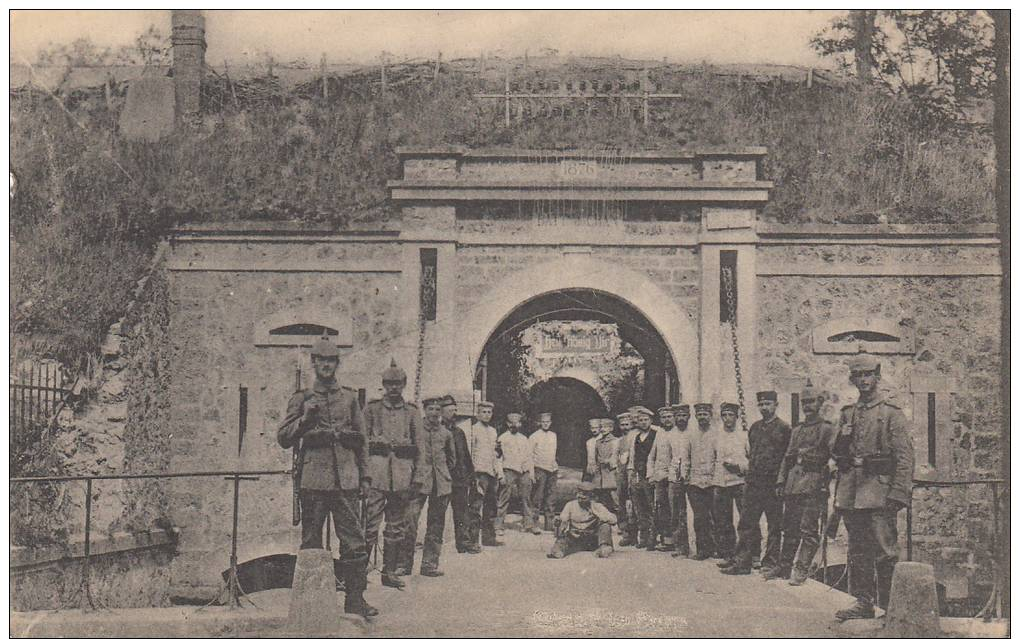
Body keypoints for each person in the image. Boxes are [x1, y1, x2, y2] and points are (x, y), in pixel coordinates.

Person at [276, 334, 377, 618]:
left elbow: (363, 441)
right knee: (311, 542)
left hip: (346, 479)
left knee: (355, 543)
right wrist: (305, 419)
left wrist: (365, 478)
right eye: (321, 360)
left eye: (331, 360)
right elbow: (283, 437)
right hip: (314, 481)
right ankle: (310, 604)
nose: (326, 365)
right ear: (313, 362)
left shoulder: (349, 398)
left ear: (337, 363)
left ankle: (355, 600)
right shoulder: (302, 398)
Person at [833, 354, 914, 621]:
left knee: (885, 552)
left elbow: (904, 457)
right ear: (853, 379)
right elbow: (837, 452)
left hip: (879, 494)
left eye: (869, 375)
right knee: (857, 550)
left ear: (877, 377)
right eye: (859, 375)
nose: (864, 380)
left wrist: (899, 493)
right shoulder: (848, 413)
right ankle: (863, 603)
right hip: (852, 493)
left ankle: (891, 608)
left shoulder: (891, 413)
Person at [363, 360, 420, 589]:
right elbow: (361, 442)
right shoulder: (372, 409)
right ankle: (358, 575)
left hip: (402, 478)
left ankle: (389, 572)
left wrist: (417, 478)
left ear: (404, 384)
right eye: (389, 384)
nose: (394, 388)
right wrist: (364, 476)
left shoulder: (412, 413)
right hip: (376, 477)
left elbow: (420, 447)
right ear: (383, 385)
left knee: (396, 527)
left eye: (398, 384)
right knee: (369, 526)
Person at [722, 391, 791, 576]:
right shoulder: (754, 427)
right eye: (761, 404)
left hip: (773, 484)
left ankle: (770, 563)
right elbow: (752, 455)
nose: (764, 408)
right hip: (753, 483)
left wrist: (781, 482)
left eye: (768, 404)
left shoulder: (784, 428)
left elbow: (787, 458)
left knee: (774, 525)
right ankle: (742, 563)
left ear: (776, 405)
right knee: (746, 523)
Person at [776, 381, 837, 586]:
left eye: (811, 402)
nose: (807, 406)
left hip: (813, 484)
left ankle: (801, 570)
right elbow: (787, 457)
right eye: (804, 402)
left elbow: (834, 457)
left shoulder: (827, 429)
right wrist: (781, 481)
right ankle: (784, 567)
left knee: (808, 530)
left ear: (820, 403)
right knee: (789, 527)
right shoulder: (797, 430)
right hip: (794, 485)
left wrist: (826, 478)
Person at [403, 397, 457, 577]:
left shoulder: (446, 434)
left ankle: (429, 564)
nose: (434, 413)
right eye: (431, 409)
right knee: (410, 522)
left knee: (436, 525)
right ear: (424, 410)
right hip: (418, 483)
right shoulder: (416, 431)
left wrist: (443, 474)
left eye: (437, 409)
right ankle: (404, 564)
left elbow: (452, 460)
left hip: (441, 485)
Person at [461, 401, 503, 549]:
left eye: (489, 412)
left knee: (491, 507)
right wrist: (472, 474)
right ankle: (473, 541)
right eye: (483, 412)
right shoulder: (473, 430)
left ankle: (489, 538)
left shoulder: (493, 431)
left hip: (491, 473)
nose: (486, 415)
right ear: (478, 414)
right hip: (479, 473)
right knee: (475, 506)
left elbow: (495, 454)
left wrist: (499, 472)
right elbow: (470, 453)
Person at [713, 402, 747, 566]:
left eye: (731, 415)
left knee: (745, 520)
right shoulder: (717, 437)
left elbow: (752, 459)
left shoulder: (744, 435)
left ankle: (750, 555)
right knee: (724, 521)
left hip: (740, 482)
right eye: (724, 415)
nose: (727, 419)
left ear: (737, 417)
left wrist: (739, 467)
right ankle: (729, 555)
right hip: (722, 483)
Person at [546, 482, 617, 559]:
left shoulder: (597, 506)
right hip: (576, 538)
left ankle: (604, 547)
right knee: (563, 540)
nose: (581, 498)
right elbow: (563, 520)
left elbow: (614, 520)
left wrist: (598, 513)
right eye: (579, 495)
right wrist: (558, 522)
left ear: (591, 497)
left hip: (592, 538)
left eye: (585, 496)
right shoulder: (570, 505)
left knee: (605, 525)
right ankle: (558, 551)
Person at [442, 395, 476, 554]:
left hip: (460, 480)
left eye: (455, 410)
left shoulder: (459, 432)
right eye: (450, 410)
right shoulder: (439, 432)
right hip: (443, 479)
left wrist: (471, 476)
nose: (453, 413)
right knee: (438, 515)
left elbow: (466, 456)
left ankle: (464, 543)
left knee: (462, 513)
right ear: (442, 412)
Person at [496, 412, 538, 534]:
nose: (514, 425)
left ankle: (528, 524)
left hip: (524, 471)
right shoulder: (502, 438)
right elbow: (498, 458)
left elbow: (529, 457)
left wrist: (531, 473)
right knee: (504, 498)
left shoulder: (524, 438)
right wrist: (500, 475)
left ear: (520, 424)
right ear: (507, 424)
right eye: (511, 423)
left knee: (526, 498)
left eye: (517, 422)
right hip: (508, 470)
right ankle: (499, 525)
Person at [688, 402, 717, 560]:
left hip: (713, 482)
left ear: (710, 416)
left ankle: (720, 549)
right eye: (699, 415)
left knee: (717, 516)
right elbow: (686, 458)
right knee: (700, 518)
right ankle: (702, 550)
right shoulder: (691, 435)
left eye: (705, 414)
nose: (702, 417)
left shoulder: (717, 434)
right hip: (695, 482)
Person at [646, 406, 676, 551]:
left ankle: (678, 541)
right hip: (659, 477)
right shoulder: (659, 434)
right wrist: (651, 474)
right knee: (661, 508)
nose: (667, 420)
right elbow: (652, 456)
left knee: (674, 509)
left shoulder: (679, 433)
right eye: (664, 417)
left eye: (669, 416)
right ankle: (667, 540)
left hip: (673, 477)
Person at [627, 406, 657, 549]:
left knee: (652, 506)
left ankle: (653, 538)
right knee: (639, 507)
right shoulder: (636, 436)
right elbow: (632, 456)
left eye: (646, 420)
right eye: (641, 420)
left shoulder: (657, 434)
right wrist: (632, 472)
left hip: (650, 474)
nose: (643, 422)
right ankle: (643, 538)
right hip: (638, 475)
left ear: (650, 420)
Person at [668, 404, 693, 557]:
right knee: (677, 512)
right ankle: (680, 545)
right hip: (675, 477)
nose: (681, 419)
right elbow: (667, 456)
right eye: (678, 416)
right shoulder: (670, 435)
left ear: (688, 416)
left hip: (692, 477)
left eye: (683, 415)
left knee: (695, 512)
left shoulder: (693, 433)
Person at [529, 412, 558, 532]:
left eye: (548, 422)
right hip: (539, 468)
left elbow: (553, 452)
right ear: (540, 423)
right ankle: (534, 523)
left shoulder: (553, 435)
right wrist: (531, 472)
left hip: (552, 469)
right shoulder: (534, 436)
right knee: (538, 497)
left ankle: (549, 523)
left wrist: (555, 464)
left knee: (551, 496)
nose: (546, 424)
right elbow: (529, 455)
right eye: (543, 422)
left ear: (550, 423)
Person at [615, 412, 638, 546]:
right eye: (622, 425)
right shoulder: (619, 441)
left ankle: (637, 534)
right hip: (621, 475)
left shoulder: (635, 437)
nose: (625, 427)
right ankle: (625, 533)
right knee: (621, 504)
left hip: (633, 474)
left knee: (635, 504)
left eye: (627, 424)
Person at [589, 418, 619, 513]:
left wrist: (608, 461)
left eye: (606, 427)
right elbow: (595, 457)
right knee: (600, 498)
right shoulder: (598, 442)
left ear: (611, 428)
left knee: (614, 498)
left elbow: (616, 457)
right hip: (599, 474)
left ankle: (618, 520)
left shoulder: (615, 441)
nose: (603, 429)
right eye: (601, 427)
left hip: (611, 473)